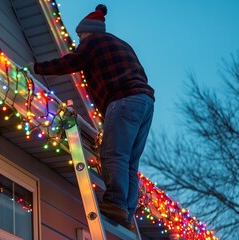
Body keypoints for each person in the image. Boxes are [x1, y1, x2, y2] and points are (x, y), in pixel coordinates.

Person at [26, 4, 154, 230]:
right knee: (129, 162)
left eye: (79, 35)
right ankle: (127, 213)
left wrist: (36, 68)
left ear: (88, 31)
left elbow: (69, 63)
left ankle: (115, 203)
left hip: (123, 99)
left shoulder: (93, 42)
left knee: (113, 154)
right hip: (145, 103)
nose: (78, 40)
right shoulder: (121, 44)